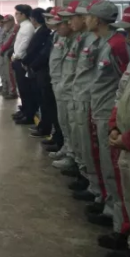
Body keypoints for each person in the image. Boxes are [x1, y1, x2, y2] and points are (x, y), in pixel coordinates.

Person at [87, 0, 130, 232]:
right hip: (100, 109)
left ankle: (120, 223)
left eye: (89, 16)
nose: (86, 20)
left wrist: (116, 118)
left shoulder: (117, 45)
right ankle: (109, 207)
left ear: (98, 20)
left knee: (114, 168)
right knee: (105, 164)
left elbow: (124, 84)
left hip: (109, 113)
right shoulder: (102, 42)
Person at [58, 1, 104, 206]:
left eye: (74, 17)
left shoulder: (100, 42)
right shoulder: (80, 39)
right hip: (74, 95)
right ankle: (87, 179)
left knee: (91, 147)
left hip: (90, 101)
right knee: (79, 140)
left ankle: (98, 191)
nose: (70, 22)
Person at [107, 4, 130, 257]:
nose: (128, 38)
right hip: (126, 142)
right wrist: (114, 126)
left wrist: (128, 139)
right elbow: (121, 93)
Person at [46, 11, 77, 164]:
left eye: (60, 24)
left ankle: (72, 155)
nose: (57, 28)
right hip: (59, 83)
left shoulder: (77, 40)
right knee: (63, 121)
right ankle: (67, 148)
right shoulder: (63, 38)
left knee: (71, 123)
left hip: (70, 88)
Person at [22, 8, 52, 134]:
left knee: (45, 101)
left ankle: (45, 128)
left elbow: (40, 53)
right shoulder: (41, 31)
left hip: (42, 70)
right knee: (41, 99)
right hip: (37, 69)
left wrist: (29, 63)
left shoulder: (44, 32)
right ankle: (43, 126)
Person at [11, 5, 36, 125]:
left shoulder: (28, 27)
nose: (15, 15)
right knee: (21, 88)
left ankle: (28, 114)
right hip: (18, 58)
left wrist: (16, 56)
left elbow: (24, 44)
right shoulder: (23, 26)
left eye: (17, 13)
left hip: (21, 60)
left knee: (25, 89)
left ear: (24, 15)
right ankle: (24, 110)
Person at [0, 15, 18, 99]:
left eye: (6, 22)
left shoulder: (15, 29)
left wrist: (2, 49)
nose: (5, 24)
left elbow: (9, 42)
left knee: (10, 73)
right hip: (4, 53)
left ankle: (12, 92)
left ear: (11, 21)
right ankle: (8, 89)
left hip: (9, 53)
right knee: (5, 72)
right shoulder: (7, 29)